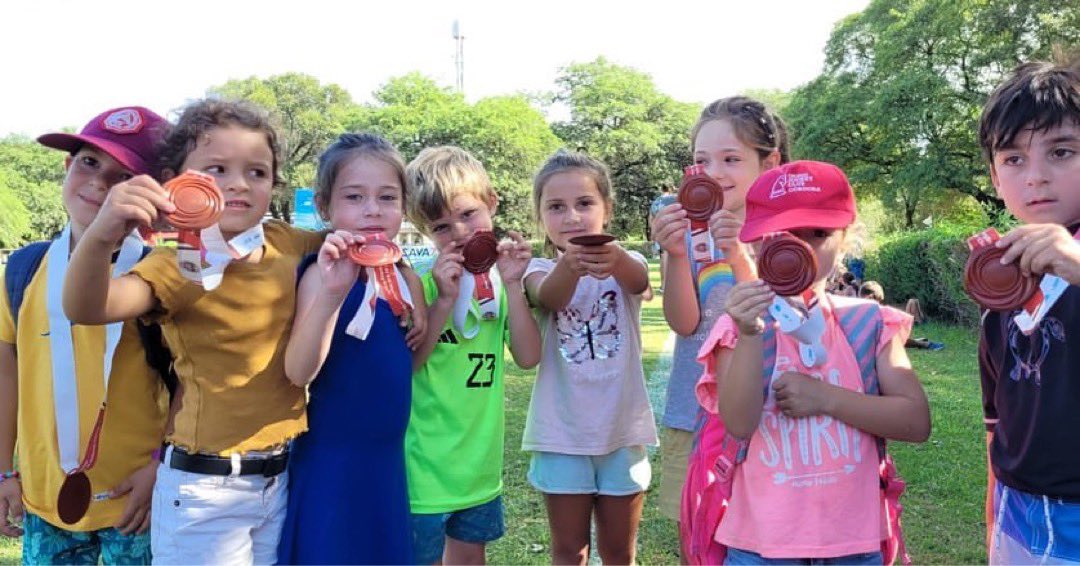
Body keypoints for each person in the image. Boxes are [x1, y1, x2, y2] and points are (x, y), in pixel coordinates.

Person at [61, 99, 324, 564]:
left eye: (257, 172)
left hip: (278, 481)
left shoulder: (289, 242)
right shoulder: (175, 265)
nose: (238, 183)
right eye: (217, 168)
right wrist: (103, 233)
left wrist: (399, 270)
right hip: (204, 493)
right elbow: (86, 307)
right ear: (176, 181)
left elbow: (361, 240)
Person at [698, 160, 931, 563]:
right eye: (782, 236)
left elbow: (915, 422)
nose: (800, 249)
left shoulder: (869, 322)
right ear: (754, 243)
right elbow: (738, 423)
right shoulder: (738, 324)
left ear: (844, 239)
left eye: (818, 234)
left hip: (853, 544)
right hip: (762, 544)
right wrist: (751, 333)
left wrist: (825, 398)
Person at [0, 107, 170, 564]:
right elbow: (7, 375)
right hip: (46, 497)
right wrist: (4, 473)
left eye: (124, 177)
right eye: (88, 163)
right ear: (66, 167)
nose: (99, 184)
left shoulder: (162, 276)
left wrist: (161, 466)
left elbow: (194, 384)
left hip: (136, 499)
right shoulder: (24, 269)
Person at [276, 133, 426, 564]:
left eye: (387, 197)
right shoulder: (322, 273)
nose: (373, 209)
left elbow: (410, 363)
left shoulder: (404, 276)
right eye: (355, 197)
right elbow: (299, 372)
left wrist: (430, 317)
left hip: (387, 459)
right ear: (325, 206)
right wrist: (331, 296)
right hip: (333, 458)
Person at [650, 96, 789, 548]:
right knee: (697, 539)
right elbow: (683, 322)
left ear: (769, 162)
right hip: (692, 415)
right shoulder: (689, 235)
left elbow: (779, 317)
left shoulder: (788, 236)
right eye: (701, 161)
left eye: (731, 159)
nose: (715, 173)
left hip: (767, 416)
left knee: (763, 542)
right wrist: (673, 254)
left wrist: (738, 254)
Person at [403, 146, 541, 565]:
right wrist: (442, 302)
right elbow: (409, 365)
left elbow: (528, 356)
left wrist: (514, 284)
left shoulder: (500, 286)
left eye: (468, 215)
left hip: (478, 468)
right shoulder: (421, 287)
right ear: (422, 230)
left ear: (492, 203)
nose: (460, 233)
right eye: (441, 226)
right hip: (421, 471)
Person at [522, 150, 658, 565]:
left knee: (619, 551)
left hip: (623, 431)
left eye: (585, 204)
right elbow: (550, 296)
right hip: (561, 434)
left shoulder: (627, 262)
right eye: (556, 207)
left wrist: (613, 258)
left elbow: (638, 282)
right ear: (541, 217)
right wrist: (572, 264)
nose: (572, 217)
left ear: (607, 209)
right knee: (569, 550)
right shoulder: (539, 268)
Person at [976, 55, 1080, 564]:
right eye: (1013, 159)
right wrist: (994, 511)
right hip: (1018, 510)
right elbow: (996, 422)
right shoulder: (998, 288)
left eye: (1061, 151)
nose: (1035, 177)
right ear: (995, 178)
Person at [859, 282, 943, 350]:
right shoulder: (864, 310)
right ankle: (922, 342)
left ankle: (923, 343)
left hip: (884, 340)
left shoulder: (879, 311)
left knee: (894, 339)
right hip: (876, 342)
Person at [649, 188, 676, 292]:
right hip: (675, 230)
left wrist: (654, 234)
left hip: (660, 230)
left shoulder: (657, 202)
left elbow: (651, 219)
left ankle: (664, 285)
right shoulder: (675, 199)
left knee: (663, 256)